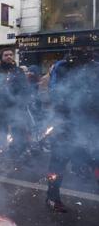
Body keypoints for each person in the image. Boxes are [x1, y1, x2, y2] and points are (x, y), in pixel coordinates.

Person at [46, 48, 99, 212]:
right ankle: (52, 198)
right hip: (66, 125)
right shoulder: (61, 68)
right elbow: (55, 94)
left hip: (90, 125)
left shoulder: (95, 68)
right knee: (58, 163)